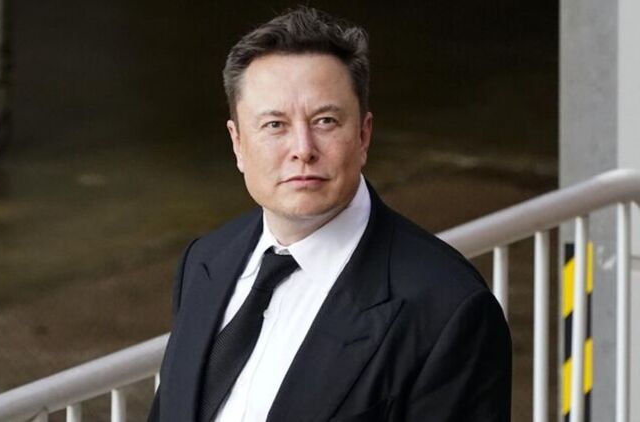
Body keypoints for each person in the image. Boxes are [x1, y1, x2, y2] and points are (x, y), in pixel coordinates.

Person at [149, 7, 511, 422]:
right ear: (237, 143)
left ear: (363, 136)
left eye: (325, 121)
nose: (303, 149)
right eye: (275, 125)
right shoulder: (204, 261)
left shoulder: (448, 309)